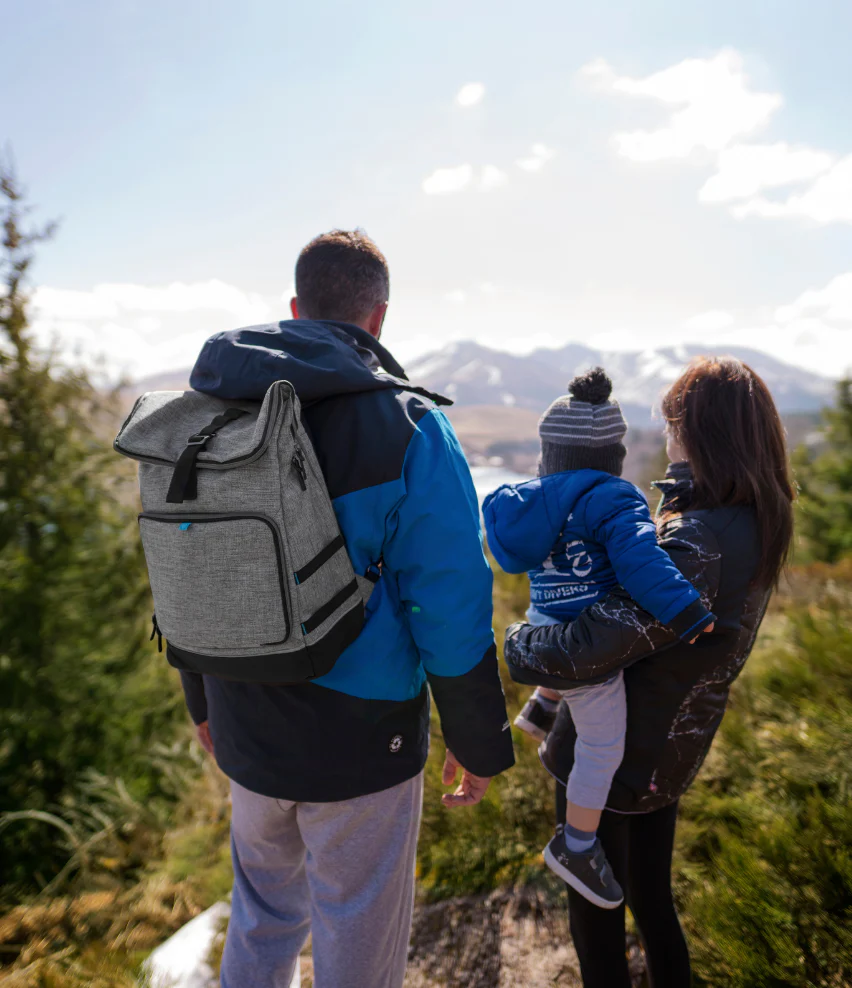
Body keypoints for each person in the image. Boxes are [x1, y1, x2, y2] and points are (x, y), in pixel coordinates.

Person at [180, 229, 515, 988]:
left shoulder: (210, 416)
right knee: (357, 933)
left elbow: (184, 563)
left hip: (241, 715)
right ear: (379, 319)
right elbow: (451, 604)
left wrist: (201, 695)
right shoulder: (408, 426)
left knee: (262, 918)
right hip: (363, 741)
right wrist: (478, 735)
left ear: (296, 308)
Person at [504, 356, 795, 988]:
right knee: (650, 901)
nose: (664, 439)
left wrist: (515, 645)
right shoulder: (748, 520)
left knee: (597, 911)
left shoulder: (697, 542)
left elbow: (590, 645)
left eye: (671, 425)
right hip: (669, 746)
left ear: (698, 433)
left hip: (618, 753)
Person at [483, 368, 714, 909]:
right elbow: (642, 565)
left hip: (542, 622)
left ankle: (540, 707)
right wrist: (686, 612)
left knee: (567, 667)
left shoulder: (527, 502)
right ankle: (577, 844)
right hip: (587, 649)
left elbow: (509, 558)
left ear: (549, 455)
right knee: (603, 746)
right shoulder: (616, 500)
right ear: (613, 456)